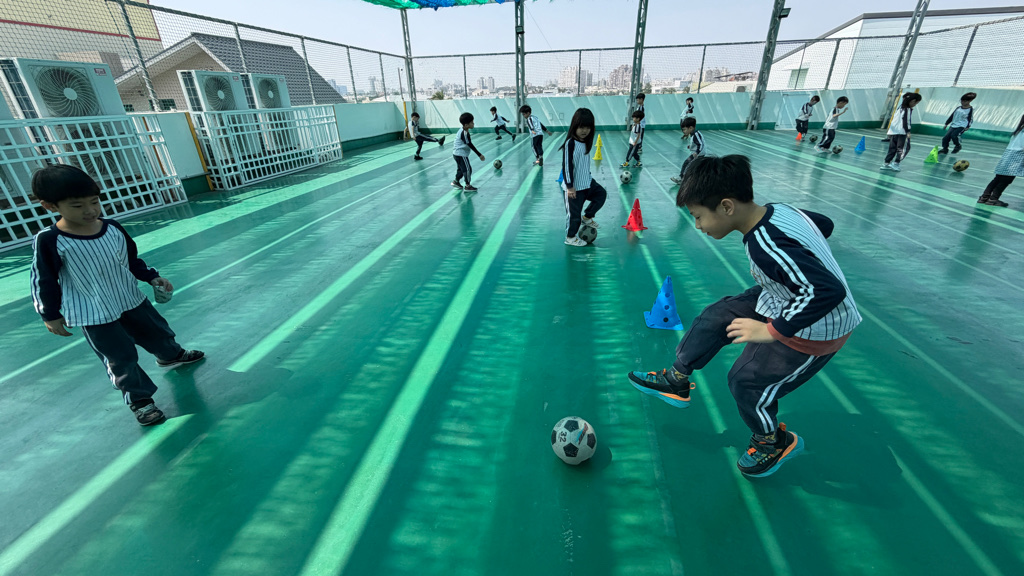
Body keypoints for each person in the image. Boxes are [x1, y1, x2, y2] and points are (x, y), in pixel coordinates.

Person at [628, 155, 861, 478]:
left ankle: (772, 443)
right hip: (782, 295)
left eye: (698, 216)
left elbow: (827, 290)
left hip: (818, 326)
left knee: (746, 382)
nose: (698, 226)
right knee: (716, 317)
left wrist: (772, 331)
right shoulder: (778, 210)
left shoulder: (766, 246)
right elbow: (824, 224)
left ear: (726, 206)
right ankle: (676, 379)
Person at [29, 165, 204, 426]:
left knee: (157, 332)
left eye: (94, 202)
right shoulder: (50, 240)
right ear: (50, 206)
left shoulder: (112, 228)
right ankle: (140, 400)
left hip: (130, 298)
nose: (90, 210)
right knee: (119, 357)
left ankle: (171, 355)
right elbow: (43, 279)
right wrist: (50, 314)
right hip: (93, 311)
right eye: (77, 206)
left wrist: (151, 277)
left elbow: (130, 260)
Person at [561, 108, 607, 247]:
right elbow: (567, 166)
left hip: (587, 182)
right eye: (581, 127)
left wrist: (589, 178)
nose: (584, 131)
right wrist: (570, 187)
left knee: (601, 194)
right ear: (574, 126)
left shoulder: (586, 142)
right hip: (574, 187)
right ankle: (570, 237)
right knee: (574, 215)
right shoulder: (570, 143)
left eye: (587, 127)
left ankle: (587, 217)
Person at [977, 112, 1024, 208]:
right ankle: (993, 199)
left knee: (997, 178)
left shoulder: (1018, 130)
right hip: (1016, 157)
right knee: (1006, 180)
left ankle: (984, 197)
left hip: (1007, 156)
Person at [881, 93, 922, 172]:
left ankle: (886, 163)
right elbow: (906, 121)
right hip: (902, 132)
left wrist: (889, 132)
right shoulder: (907, 109)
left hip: (894, 131)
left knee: (892, 148)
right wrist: (908, 131)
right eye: (916, 103)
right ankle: (896, 163)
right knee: (903, 149)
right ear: (913, 101)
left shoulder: (900, 107)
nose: (915, 105)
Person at [452, 112, 485, 192]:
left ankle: (456, 181)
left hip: (456, 153)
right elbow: (469, 144)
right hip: (461, 154)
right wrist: (479, 154)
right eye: (472, 122)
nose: (473, 123)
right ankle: (467, 186)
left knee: (461, 169)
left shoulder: (463, 130)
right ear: (466, 125)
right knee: (467, 169)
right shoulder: (464, 133)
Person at [670, 117, 706, 184]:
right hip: (697, 153)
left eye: (684, 129)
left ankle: (682, 178)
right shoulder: (693, 134)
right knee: (694, 166)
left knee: (687, 163)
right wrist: (691, 146)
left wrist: (697, 152)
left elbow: (700, 144)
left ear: (691, 128)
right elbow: (696, 143)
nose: (683, 131)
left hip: (698, 154)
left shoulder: (695, 134)